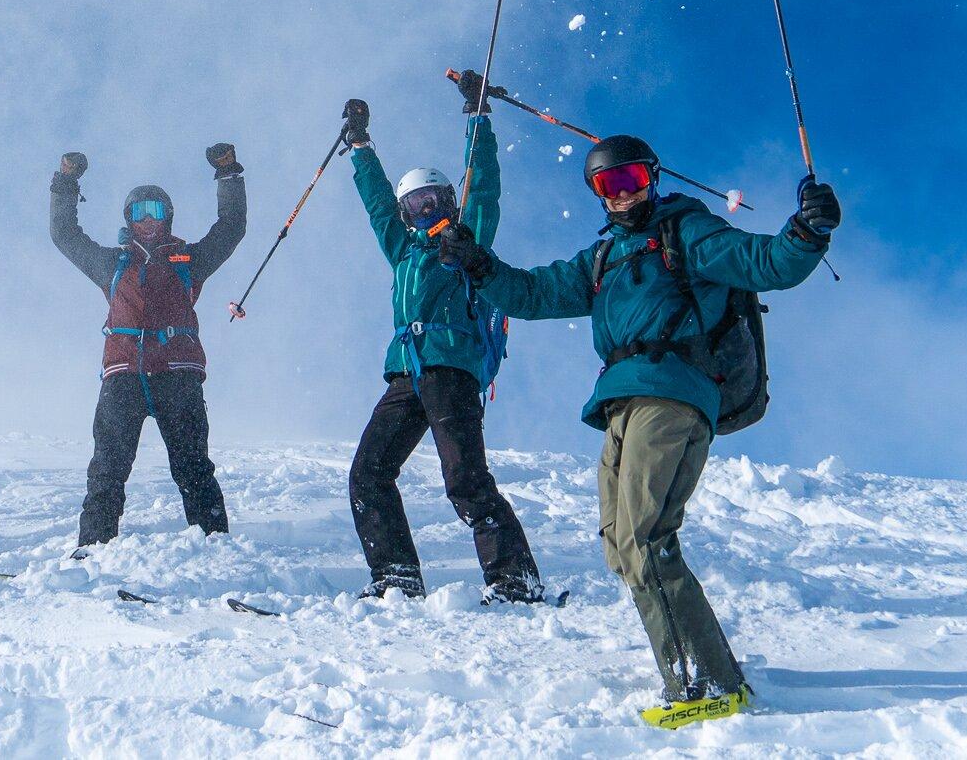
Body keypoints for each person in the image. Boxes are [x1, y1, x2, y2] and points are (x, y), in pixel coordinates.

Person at [437, 135, 839, 727]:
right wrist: (480, 265)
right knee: (623, 546)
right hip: (620, 404)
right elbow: (532, 292)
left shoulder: (688, 233)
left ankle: (707, 685)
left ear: (652, 178)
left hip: (674, 392)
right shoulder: (600, 261)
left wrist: (809, 229)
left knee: (646, 538)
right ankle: (700, 665)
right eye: (608, 186)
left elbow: (766, 260)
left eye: (631, 182)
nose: (622, 197)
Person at [340, 80, 544, 604]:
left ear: (449, 201)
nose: (424, 210)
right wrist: (360, 146)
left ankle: (514, 579)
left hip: (450, 368)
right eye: (415, 204)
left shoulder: (466, 238)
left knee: (465, 479)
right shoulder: (403, 250)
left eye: (434, 199)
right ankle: (396, 577)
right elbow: (377, 206)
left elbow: (486, 187)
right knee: (369, 471)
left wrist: (478, 117)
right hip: (407, 372)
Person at [50, 143, 246, 549]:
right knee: (107, 470)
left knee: (193, 467)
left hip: (178, 376)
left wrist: (228, 174)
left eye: (156, 211)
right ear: (129, 219)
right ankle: (93, 551)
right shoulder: (113, 263)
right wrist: (66, 182)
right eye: (139, 212)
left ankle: (217, 550)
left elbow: (231, 229)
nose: (148, 221)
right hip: (123, 376)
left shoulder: (188, 260)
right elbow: (65, 235)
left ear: (168, 217)